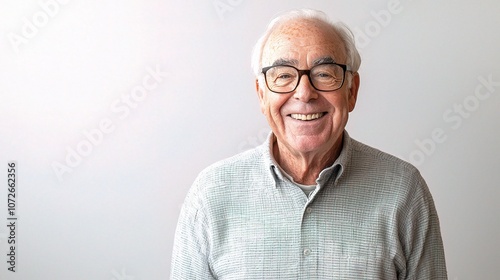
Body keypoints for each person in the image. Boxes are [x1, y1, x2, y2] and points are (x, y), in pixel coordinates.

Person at [170, 9, 447, 279]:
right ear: (261, 95)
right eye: (283, 75)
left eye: (324, 73)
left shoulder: (404, 190)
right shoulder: (211, 195)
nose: (304, 93)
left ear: (351, 91)